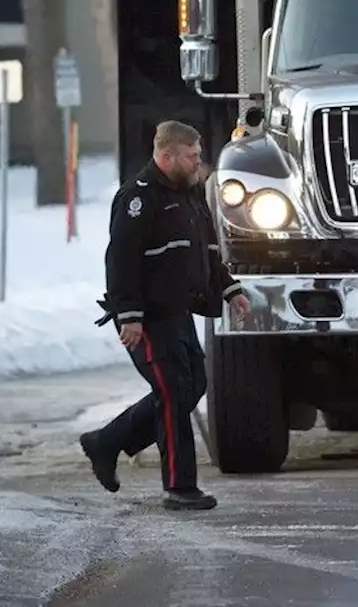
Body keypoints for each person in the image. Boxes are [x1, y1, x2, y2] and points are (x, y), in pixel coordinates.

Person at [78, 120, 251, 510]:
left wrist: (230, 289)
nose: (198, 163)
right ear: (167, 155)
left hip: (179, 314)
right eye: (192, 156)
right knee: (174, 393)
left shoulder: (189, 194)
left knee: (192, 387)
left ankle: (106, 442)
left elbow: (207, 253)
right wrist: (130, 316)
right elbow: (120, 262)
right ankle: (179, 486)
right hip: (150, 317)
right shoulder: (137, 199)